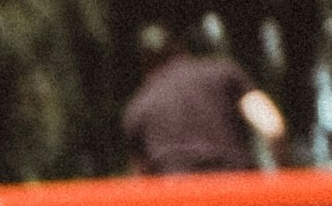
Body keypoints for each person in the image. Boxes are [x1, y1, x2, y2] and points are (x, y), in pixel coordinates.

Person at [118, 17, 287, 175]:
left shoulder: (138, 107)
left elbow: (142, 177)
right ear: (179, 46)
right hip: (235, 189)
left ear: (144, 62)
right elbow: (273, 127)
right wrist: (283, 176)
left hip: (178, 198)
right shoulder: (224, 73)